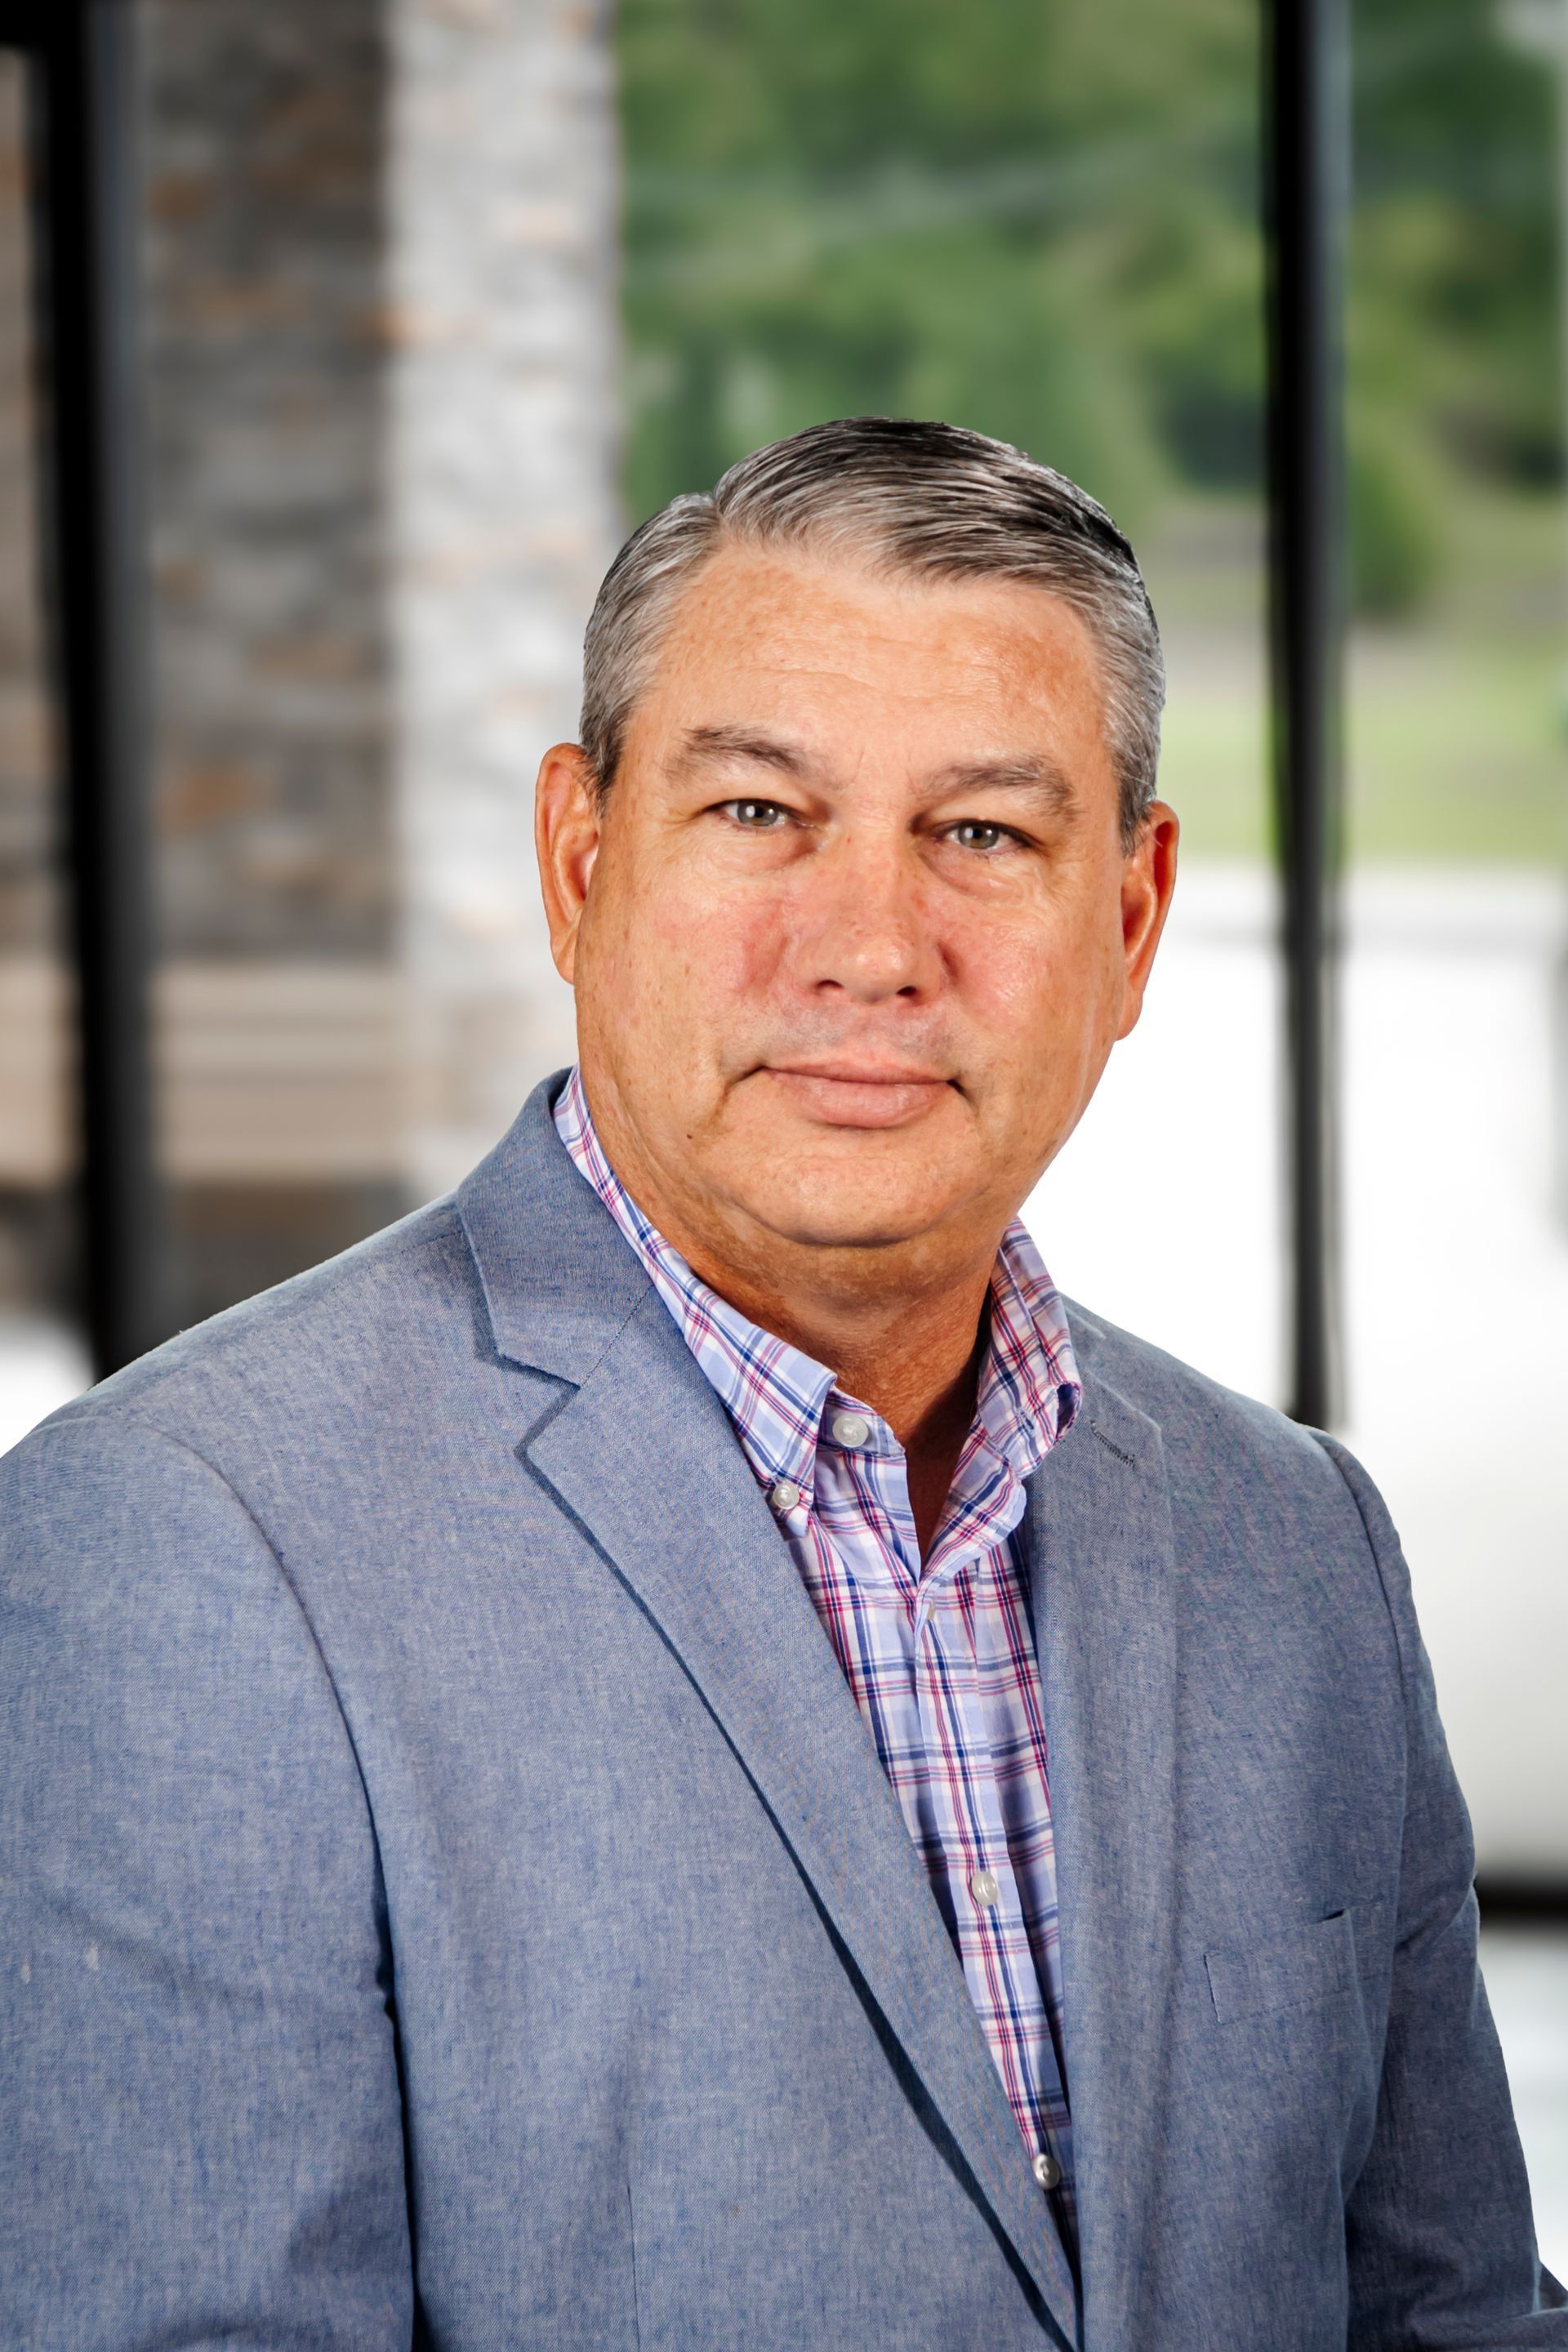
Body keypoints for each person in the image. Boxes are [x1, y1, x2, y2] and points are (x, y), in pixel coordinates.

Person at [2, 417, 1561, 2352]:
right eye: (758, 813)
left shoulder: (1297, 1541)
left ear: (1133, 917)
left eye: (983, 835)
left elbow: (1450, 2315)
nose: (873, 947)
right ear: (581, 862)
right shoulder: (176, 1548)